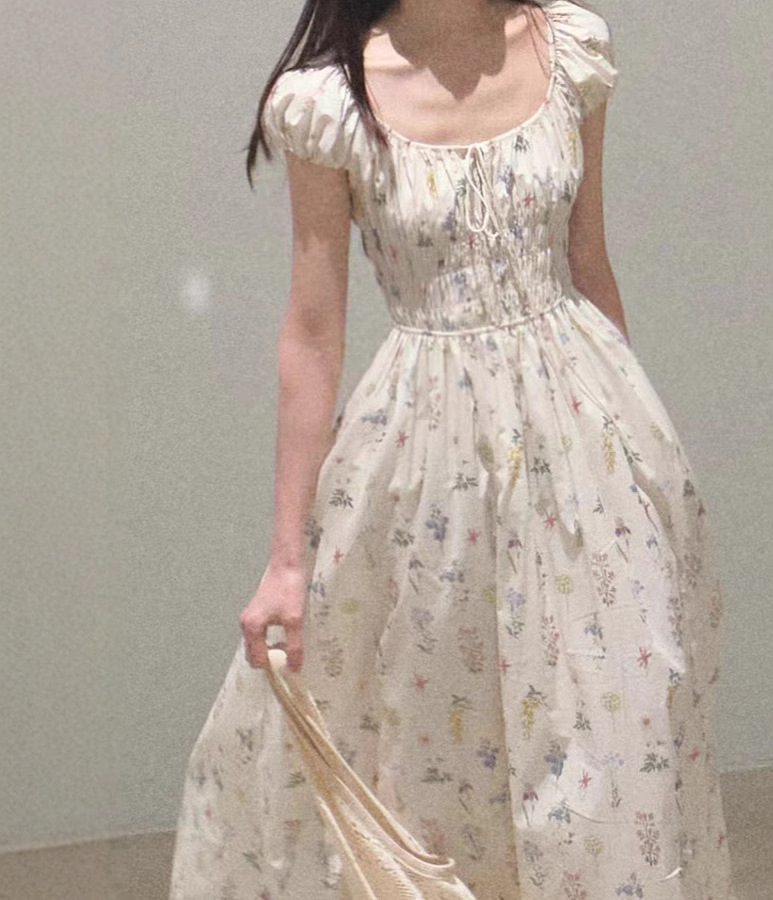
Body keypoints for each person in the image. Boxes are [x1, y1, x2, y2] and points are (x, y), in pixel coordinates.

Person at [168, 0, 738, 897]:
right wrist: (286, 560)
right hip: (426, 471)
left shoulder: (568, 50)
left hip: (583, 450)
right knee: (439, 754)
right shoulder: (331, 101)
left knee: (615, 740)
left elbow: (588, 261)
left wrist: (637, 455)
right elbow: (313, 330)